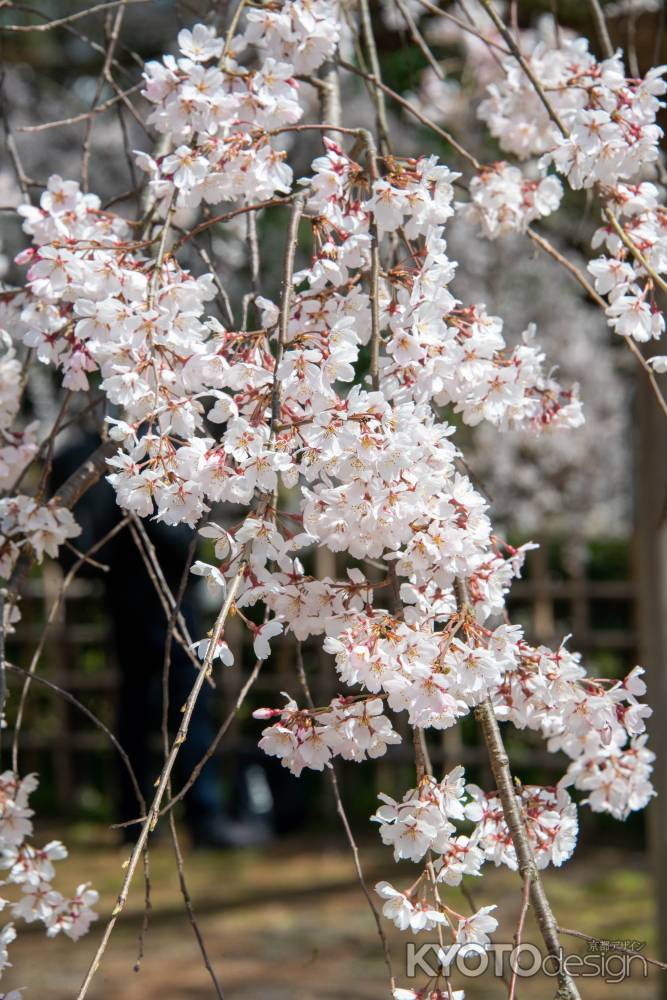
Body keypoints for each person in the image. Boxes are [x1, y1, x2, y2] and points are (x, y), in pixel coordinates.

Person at [52, 430, 270, 848]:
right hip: (163, 593)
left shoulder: (92, 456)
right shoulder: (144, 455)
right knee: (189, 704)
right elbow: (173, 530)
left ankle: (135, 819)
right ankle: (202, 816)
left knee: (136, 704)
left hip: (122, 594)